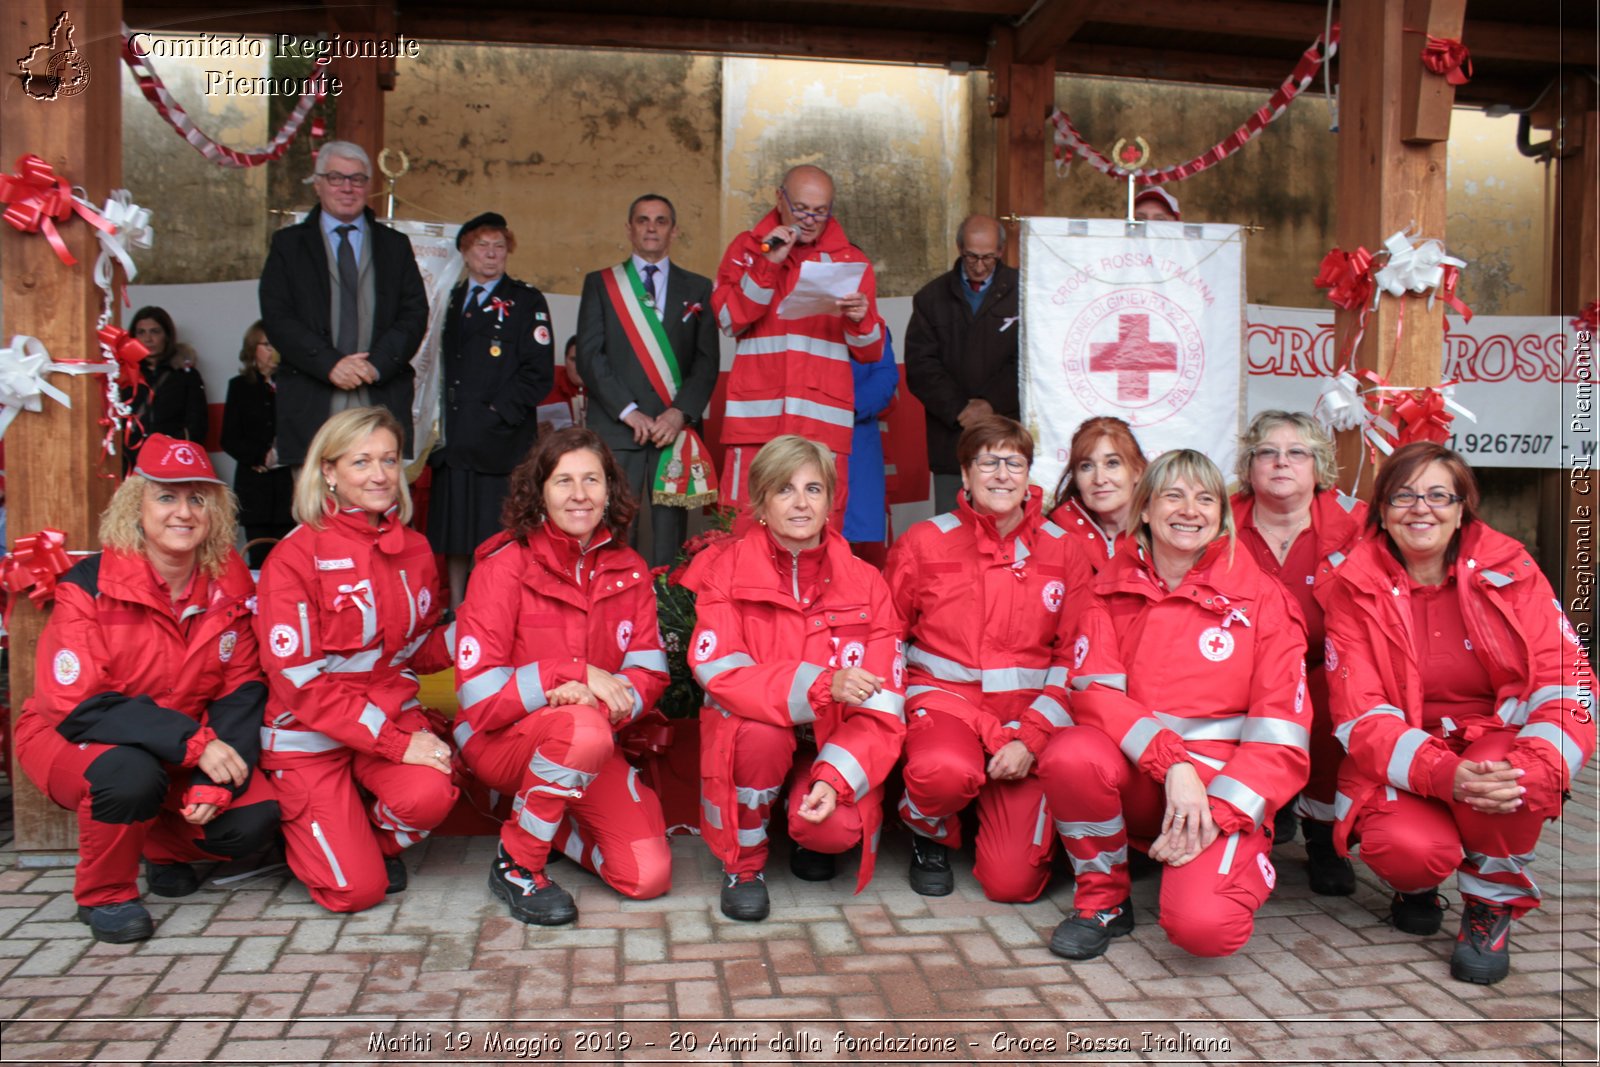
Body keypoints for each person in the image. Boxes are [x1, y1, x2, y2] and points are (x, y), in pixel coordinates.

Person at [1317, 441, 1594, 985]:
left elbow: (1569, 680)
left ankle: (1489, 908)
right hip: (1408, 749)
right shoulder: (1352, 584)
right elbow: (1360, 713)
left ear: (1463, 505)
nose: (1421, 508)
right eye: (1403, 495)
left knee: (1511, 778)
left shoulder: (1511, 568)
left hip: (1496, 742)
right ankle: (1417, 886)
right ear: (1381, 511)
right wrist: (1446, 775)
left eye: (1439, 494)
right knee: (1406, 849)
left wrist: (1538, 768)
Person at [1038, 449, 1309, 960]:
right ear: (1144, 509)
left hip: (1222, 791)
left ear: (1222, 518)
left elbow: (1281, 737)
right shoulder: (1106, 591)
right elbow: (1094, 694)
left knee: (1206, 931)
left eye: (1206, 499)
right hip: (1149, 776)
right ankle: (1104, 900)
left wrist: (1220, 813)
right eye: (1174, 496)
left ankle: (1227, 860)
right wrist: (1175, 762)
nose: (1191, 510)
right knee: (1072, 753)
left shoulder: (1264, 600)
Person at [15, 435, 279, 943]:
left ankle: (164, 848)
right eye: (167, 496)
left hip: (180, 740)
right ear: (136, 505)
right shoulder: (87, 584)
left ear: (214, 511)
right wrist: (196, 744)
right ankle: (105, 895)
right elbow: (76, 704)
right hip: (70, 735)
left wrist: (214, 779)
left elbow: (242, 685)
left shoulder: (229, 583)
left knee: (251, 816)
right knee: (128, 774)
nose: (183, 512)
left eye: (197, 498)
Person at [452, 427, 673, 926]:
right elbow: (480, 697)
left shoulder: (629, 568)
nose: (579, 494)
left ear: (610, 490)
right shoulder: (502, 566)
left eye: (592, 480)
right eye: (563, 481)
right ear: (540, 491)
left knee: (647, 876)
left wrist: (595, 700)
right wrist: (572, 677)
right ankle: (518, 864)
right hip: (500, 740)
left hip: (591, 741)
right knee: (581, 727)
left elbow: (649, 672)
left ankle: (551, 826)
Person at [682, 435, 905, 921]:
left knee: (832, 832)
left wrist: (835, 777)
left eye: (814, 489)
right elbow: (721, 674)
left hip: (835, 737)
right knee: (761, 737)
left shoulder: (868, 581)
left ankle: (804, 816)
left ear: (830, 500)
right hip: (759, 732)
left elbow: (887, 702)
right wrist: (823, 686)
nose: (801, 503)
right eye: (785, 490)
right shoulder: (725, 571)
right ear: (761, 501)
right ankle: (746, 862)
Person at [254, 407, 458, 914]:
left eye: (389, 460)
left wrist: (480, 628)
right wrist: (395, 744)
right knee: (356, 892)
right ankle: (310, 835)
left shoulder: (414, 547)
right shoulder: (294, 557)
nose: (379, 475)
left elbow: (415, 650)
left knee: (432, 793)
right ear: (328, 471)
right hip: (311, 733)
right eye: (361, 461)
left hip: (381, 719)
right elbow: (300, 685)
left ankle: (364, 839)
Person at [885, 416, 1090, 902]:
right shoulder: (923, 541)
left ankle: (987, 814)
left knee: (1012, 884)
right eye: (988, 462)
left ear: (1028, 474)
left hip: (1027, 717)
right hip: (945, 705)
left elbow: (1074, 657)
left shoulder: (1064, 551)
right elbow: (887, 635)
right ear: (965, 473)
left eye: (1013, 462)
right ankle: (928, 827)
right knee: (943, 772)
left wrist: (1034, 737)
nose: (1001, 474)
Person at [1231, 410, 1366, 895]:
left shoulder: (1359, 525)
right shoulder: (1219, 521)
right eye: (1267, 452)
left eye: (1296, 452)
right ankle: (1252, 822)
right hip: (1240, 671)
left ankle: (1326, 837)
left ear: (1319, 467)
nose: (1280, 462)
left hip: (1325, 667)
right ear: (1249, 466)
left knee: (1332, 700)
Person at [711, 165, 885, 527]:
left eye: (820, 212)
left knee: (819, 531)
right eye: (802, 208)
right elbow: (728, 319)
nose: (809, 220)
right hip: (758, 421)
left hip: (821, 425)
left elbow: (870, 351)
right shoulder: (747, 249)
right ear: (780, 198)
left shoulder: (851, 260)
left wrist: (860, 318)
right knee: (743, 528)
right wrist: (768, 264)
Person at [258, 140, 428, 467]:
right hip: (313, 402)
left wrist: (376, 364)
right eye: (336, 178)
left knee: (378, 509)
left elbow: (415, 312)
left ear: (368, 185)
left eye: (357, 179)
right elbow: (278, 317)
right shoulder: (288, 245)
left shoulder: (395, 246)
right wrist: (330, 363)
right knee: (316, 513)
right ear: (318, 183)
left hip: (379, 399)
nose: (347, 188)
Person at [578, 194, 719, 568]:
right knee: (615, 525)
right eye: (643, 220)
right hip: (618, 425)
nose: (651, 228)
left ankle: (666, 616)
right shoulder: (602, 284)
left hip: (673, 430)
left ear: (673, 230)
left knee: (670, 538)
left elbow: (707, 363)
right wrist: (630, 412)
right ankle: (614, 608)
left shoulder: (699, 288)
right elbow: (591, 358)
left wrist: (680, 414)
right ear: (630, 229)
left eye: (660, 221)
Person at [428, 212, 554, 606]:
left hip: (500, 442)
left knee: (494, 532)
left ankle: (492, 606)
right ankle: (457, 608)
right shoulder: (446, 299)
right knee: (455, 532)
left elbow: (538, 374)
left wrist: (496, 414)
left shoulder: (525, 300)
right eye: (482, 246)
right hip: (452, 439)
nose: (491, 254)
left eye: (499, 246)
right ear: (465, 252)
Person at [904, 215, 1021, 514]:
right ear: (959, 248)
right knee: (952, 529)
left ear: (1001, 252)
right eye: (971, 257)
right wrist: (960, 409)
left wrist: (990, 404)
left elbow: (1031, 360)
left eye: (988, 258)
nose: (979, 266)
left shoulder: (1025, 293)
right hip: (951, 439)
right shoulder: (931, 298)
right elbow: (921, 366)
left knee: (1007, 522)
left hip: (1008, 432)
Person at [221, 321, 295, 568]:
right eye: (266, 344)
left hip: (290, 486)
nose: (273, 350)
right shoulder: (240, 387)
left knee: (292, 555)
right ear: (253, 349)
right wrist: (259, 458)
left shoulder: (294, 385)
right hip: (256, 488)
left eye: (277, 344)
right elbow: (229, 438)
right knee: (259, 558)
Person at [1048, 416, 1148, 574]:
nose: (1099, 479)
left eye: (1112, 463)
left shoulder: (1162, 534)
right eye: (1086, 466)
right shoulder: (1052, 534)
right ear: (1075, 476)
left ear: (1137, 471)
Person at [124, 306, 209, 471]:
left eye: (155, 331)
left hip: (172, 460)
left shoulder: (185, 375)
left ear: (167, 336)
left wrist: (174, 448)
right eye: (141, 332)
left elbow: (197, 423)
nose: (148, 339)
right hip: (131, 462)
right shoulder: (123, 374)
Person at [843, 326, 900, 567]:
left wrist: (843, 408)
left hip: (857, 439)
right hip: (801, 440)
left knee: (859, 553)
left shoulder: (870, 325)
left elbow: (885, 378)